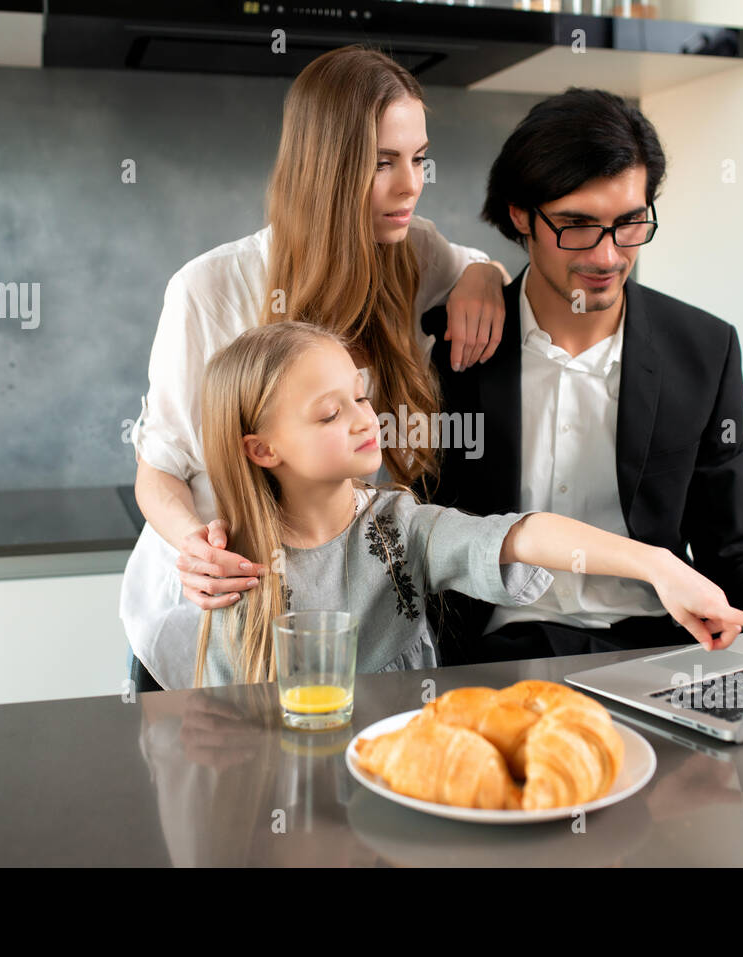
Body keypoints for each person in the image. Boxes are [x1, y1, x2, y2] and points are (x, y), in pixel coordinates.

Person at [120, 46, 514, 691]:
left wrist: (482, 276)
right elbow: (158, 468)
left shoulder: (413, 249)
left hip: (343, 620)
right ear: (325, 165)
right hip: (220, 616)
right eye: (383, 162)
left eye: (418, 158)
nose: (410, 183)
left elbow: (482, 265)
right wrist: (196, 546)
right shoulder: (210, 287)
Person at [417, 88, 743, 665]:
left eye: (629, 223)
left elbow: (733, 538)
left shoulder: (704, 349)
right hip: (495, 649)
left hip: (662, 646)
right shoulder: (456, 347)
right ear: (521, 214)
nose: (607, 257)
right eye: (577, 224)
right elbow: (424, 529)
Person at [190, 321, 743, 687]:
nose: (365, 419)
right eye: (329, 413)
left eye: (362, 398)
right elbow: (227, 737)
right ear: (262, 449)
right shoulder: (232, 571)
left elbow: (521, 534)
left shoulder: (402, 528)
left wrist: (659, 565)